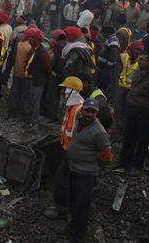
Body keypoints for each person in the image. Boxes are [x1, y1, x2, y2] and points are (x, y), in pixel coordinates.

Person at [59, 99, 112, 243]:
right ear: (82, 111)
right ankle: (71, 227)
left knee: (81, 205)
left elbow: (106, 156)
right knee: (73, 200)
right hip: (74, 169)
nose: (89, 114)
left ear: (97, 114)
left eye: (92, 112)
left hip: (86, 173)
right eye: (87, 110)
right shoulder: (79, 122)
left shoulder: (99, 132)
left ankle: (76, 235)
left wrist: (92, 162)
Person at [113, 52, 149, 175]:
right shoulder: (138, 72)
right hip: (132, 109)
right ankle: (123, 163)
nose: (139, 61)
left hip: (145, 112)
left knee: (142, 140)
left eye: (143, 59)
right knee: (128, 137)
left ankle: (136, 166)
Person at [45, 76, 84, 219]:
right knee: (64, 179)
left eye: (64, 89)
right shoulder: (72, 107)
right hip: (67, 148)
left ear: (71, 91)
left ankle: (62, 209)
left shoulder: (79, 110)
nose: (62, 92)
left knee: (62, 180)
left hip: (73, 152)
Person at [111, 41, 144, 138]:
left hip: (132, 90)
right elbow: (117, 72)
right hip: (121, 87)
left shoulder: (141, 63)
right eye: (135, 51)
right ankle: (117, 128)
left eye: (139, 52)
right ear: (131, 49)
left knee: (128, 110)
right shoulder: (123, 57)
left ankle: (125, 130)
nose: (136, 54)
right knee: (118, 108)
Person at [23, 28, 51, 126]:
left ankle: (33, 121)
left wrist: (45, 79)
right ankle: (28, 118)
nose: (30, 40)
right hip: (31, 78)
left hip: (37, 80)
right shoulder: (34, 49)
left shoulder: (42, 53)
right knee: (29, 99)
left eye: (32, 38)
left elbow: (47, 69)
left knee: (35, 101)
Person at [7, 31, 32, 118]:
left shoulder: (20, 44)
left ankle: (11, 111)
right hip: (24, 74)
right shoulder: (29, 47)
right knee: (25, 94)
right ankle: (24, 114)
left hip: (16, 71)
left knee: (15, 93)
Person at [96, 26, 120, 101]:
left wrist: (105, 67)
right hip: (103, 67)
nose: (102, 34)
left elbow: (112, 58)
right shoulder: (110, 40)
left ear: (107, 33)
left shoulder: (113, 42)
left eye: (103, 33)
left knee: (104, 85)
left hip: (106, 69)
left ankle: (104, 100)